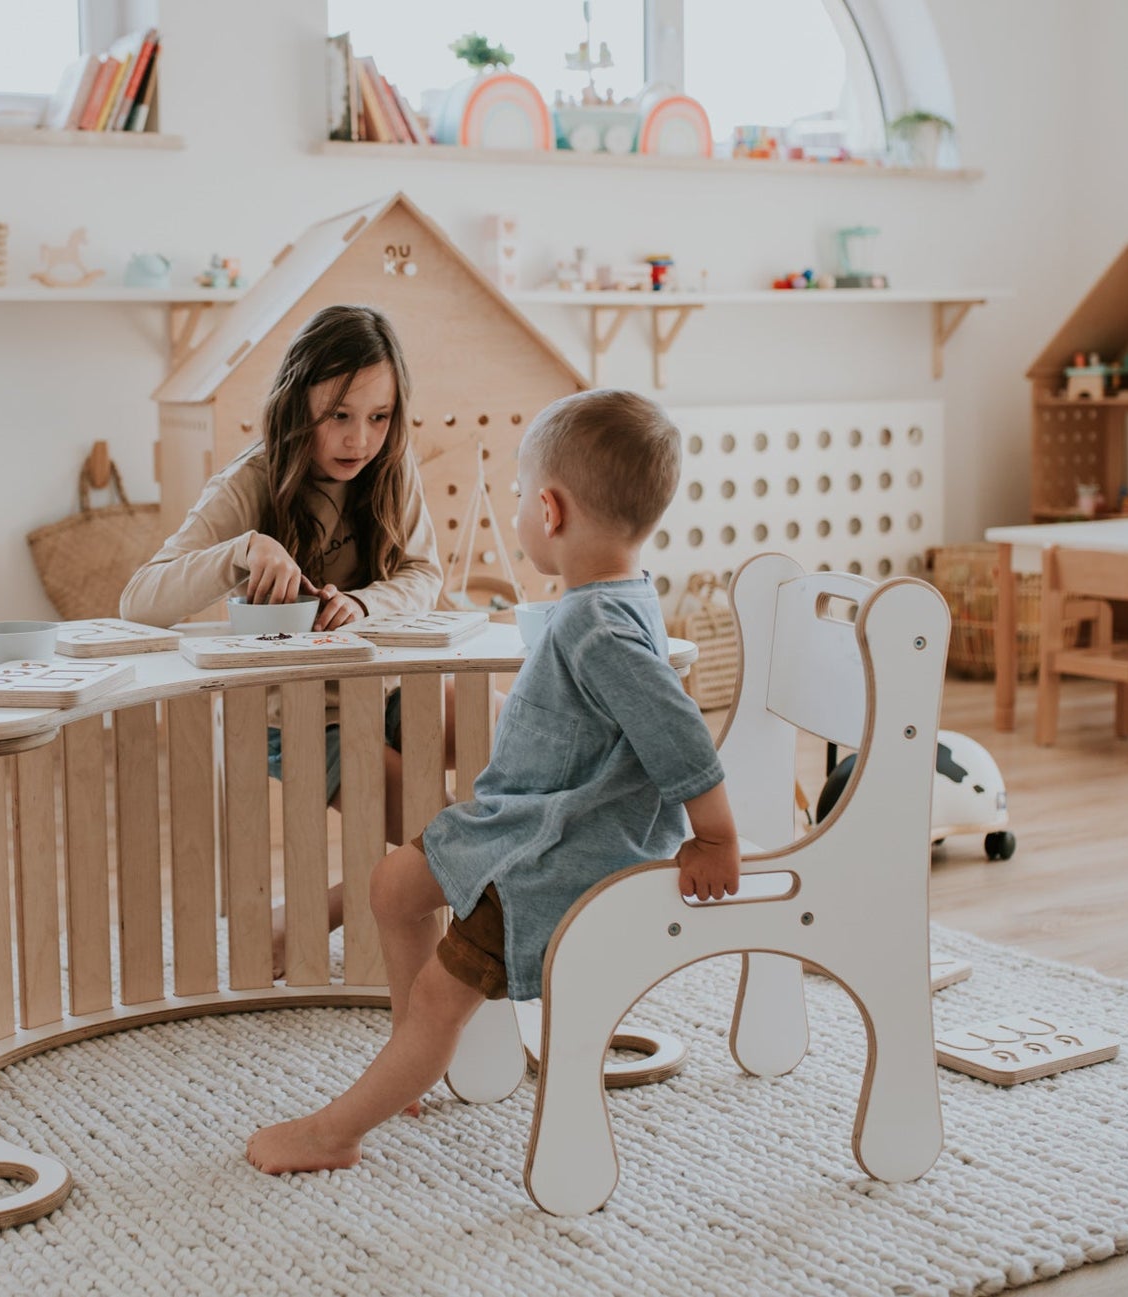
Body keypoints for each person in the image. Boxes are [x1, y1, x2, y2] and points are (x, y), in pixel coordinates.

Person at [246, 387, 741, 1174]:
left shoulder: (599, 625)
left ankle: (334, 1131)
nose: (514, 511)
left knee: (447, 996)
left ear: (548, 510)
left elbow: (679, 730)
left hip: (554, 850)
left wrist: (714, 836)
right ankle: (415, 1049)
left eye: (516, 498)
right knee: (393, 885)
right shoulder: (608, 600)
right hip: (515, 818)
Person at [120, 305, 446, 966]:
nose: (360, 439)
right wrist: (239, 551)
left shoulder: (392, 470)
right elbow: (139, 599)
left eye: (379, 417)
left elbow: (424, 573)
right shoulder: (251, 482)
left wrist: (361, 604)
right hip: (298, 719)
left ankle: (483, 919)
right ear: (300, 403)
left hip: (381, 691)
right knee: (450, 835)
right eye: (340, 416)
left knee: (522, 754)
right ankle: (302, 921)